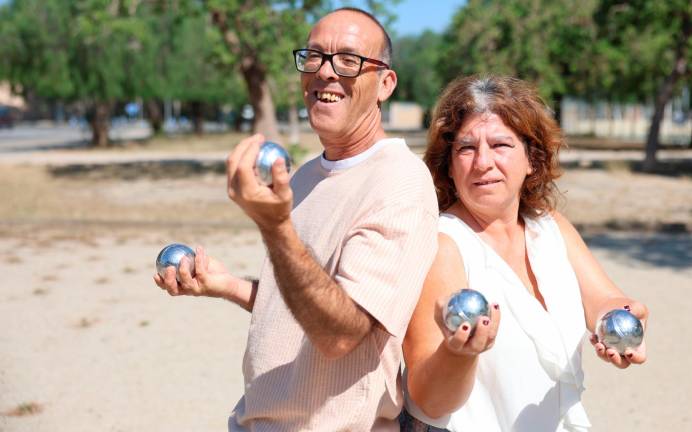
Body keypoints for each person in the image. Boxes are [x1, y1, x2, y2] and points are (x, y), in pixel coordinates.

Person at [153, 8, 438, 431]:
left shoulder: (400, 182)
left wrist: (274, 227)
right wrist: (228, 286)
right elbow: (306, 300)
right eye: (314, 56)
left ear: (385, 84)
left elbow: (341, 333)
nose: (325, 72)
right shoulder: (305, 174)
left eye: (349, 60)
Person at [400, 75, 649, 432]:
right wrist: (458, 354)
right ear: (449, 167)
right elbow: (428, 400)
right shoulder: (442, 245)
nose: (482, 162)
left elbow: (604, 300)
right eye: (466, 149)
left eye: (500, 144)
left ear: (532, 159)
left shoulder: (549, 227)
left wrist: (625, 317)